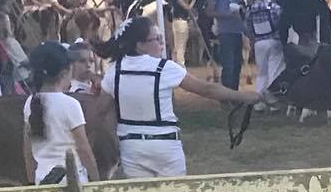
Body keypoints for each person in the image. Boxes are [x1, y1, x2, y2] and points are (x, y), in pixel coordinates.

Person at [100, 14, 258, 180]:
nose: (163, 43)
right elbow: (206, 89)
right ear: (140, 45)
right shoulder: (164, 68)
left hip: (131, 146)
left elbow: (101, 111)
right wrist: (243, 96)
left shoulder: (114, 71)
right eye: (156, 39)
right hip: (164, 145)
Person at [21, 39, 96, 187]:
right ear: (65, 72)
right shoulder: (71, 105)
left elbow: (28, 150)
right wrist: (97, 182)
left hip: (42, 180)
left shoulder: (30, 102)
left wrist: (31, 181)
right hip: (73, 181)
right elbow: (84, 150)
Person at [206, 0, 246, 90]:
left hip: (237, 29)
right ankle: (226, 95)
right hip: (225, 31)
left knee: (237, 65)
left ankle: (233, 93)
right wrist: (226, 14)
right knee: (228, 65)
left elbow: (239, 7)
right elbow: (209, 11)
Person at [245, 0, 285, 100]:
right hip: (274, 41)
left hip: (259, 43)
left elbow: (248, 27)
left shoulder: (251, 9)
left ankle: (258, 100)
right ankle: (273, 100)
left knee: (261, 72)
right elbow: (281, 23)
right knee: (274, 71)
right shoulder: (275, 7)